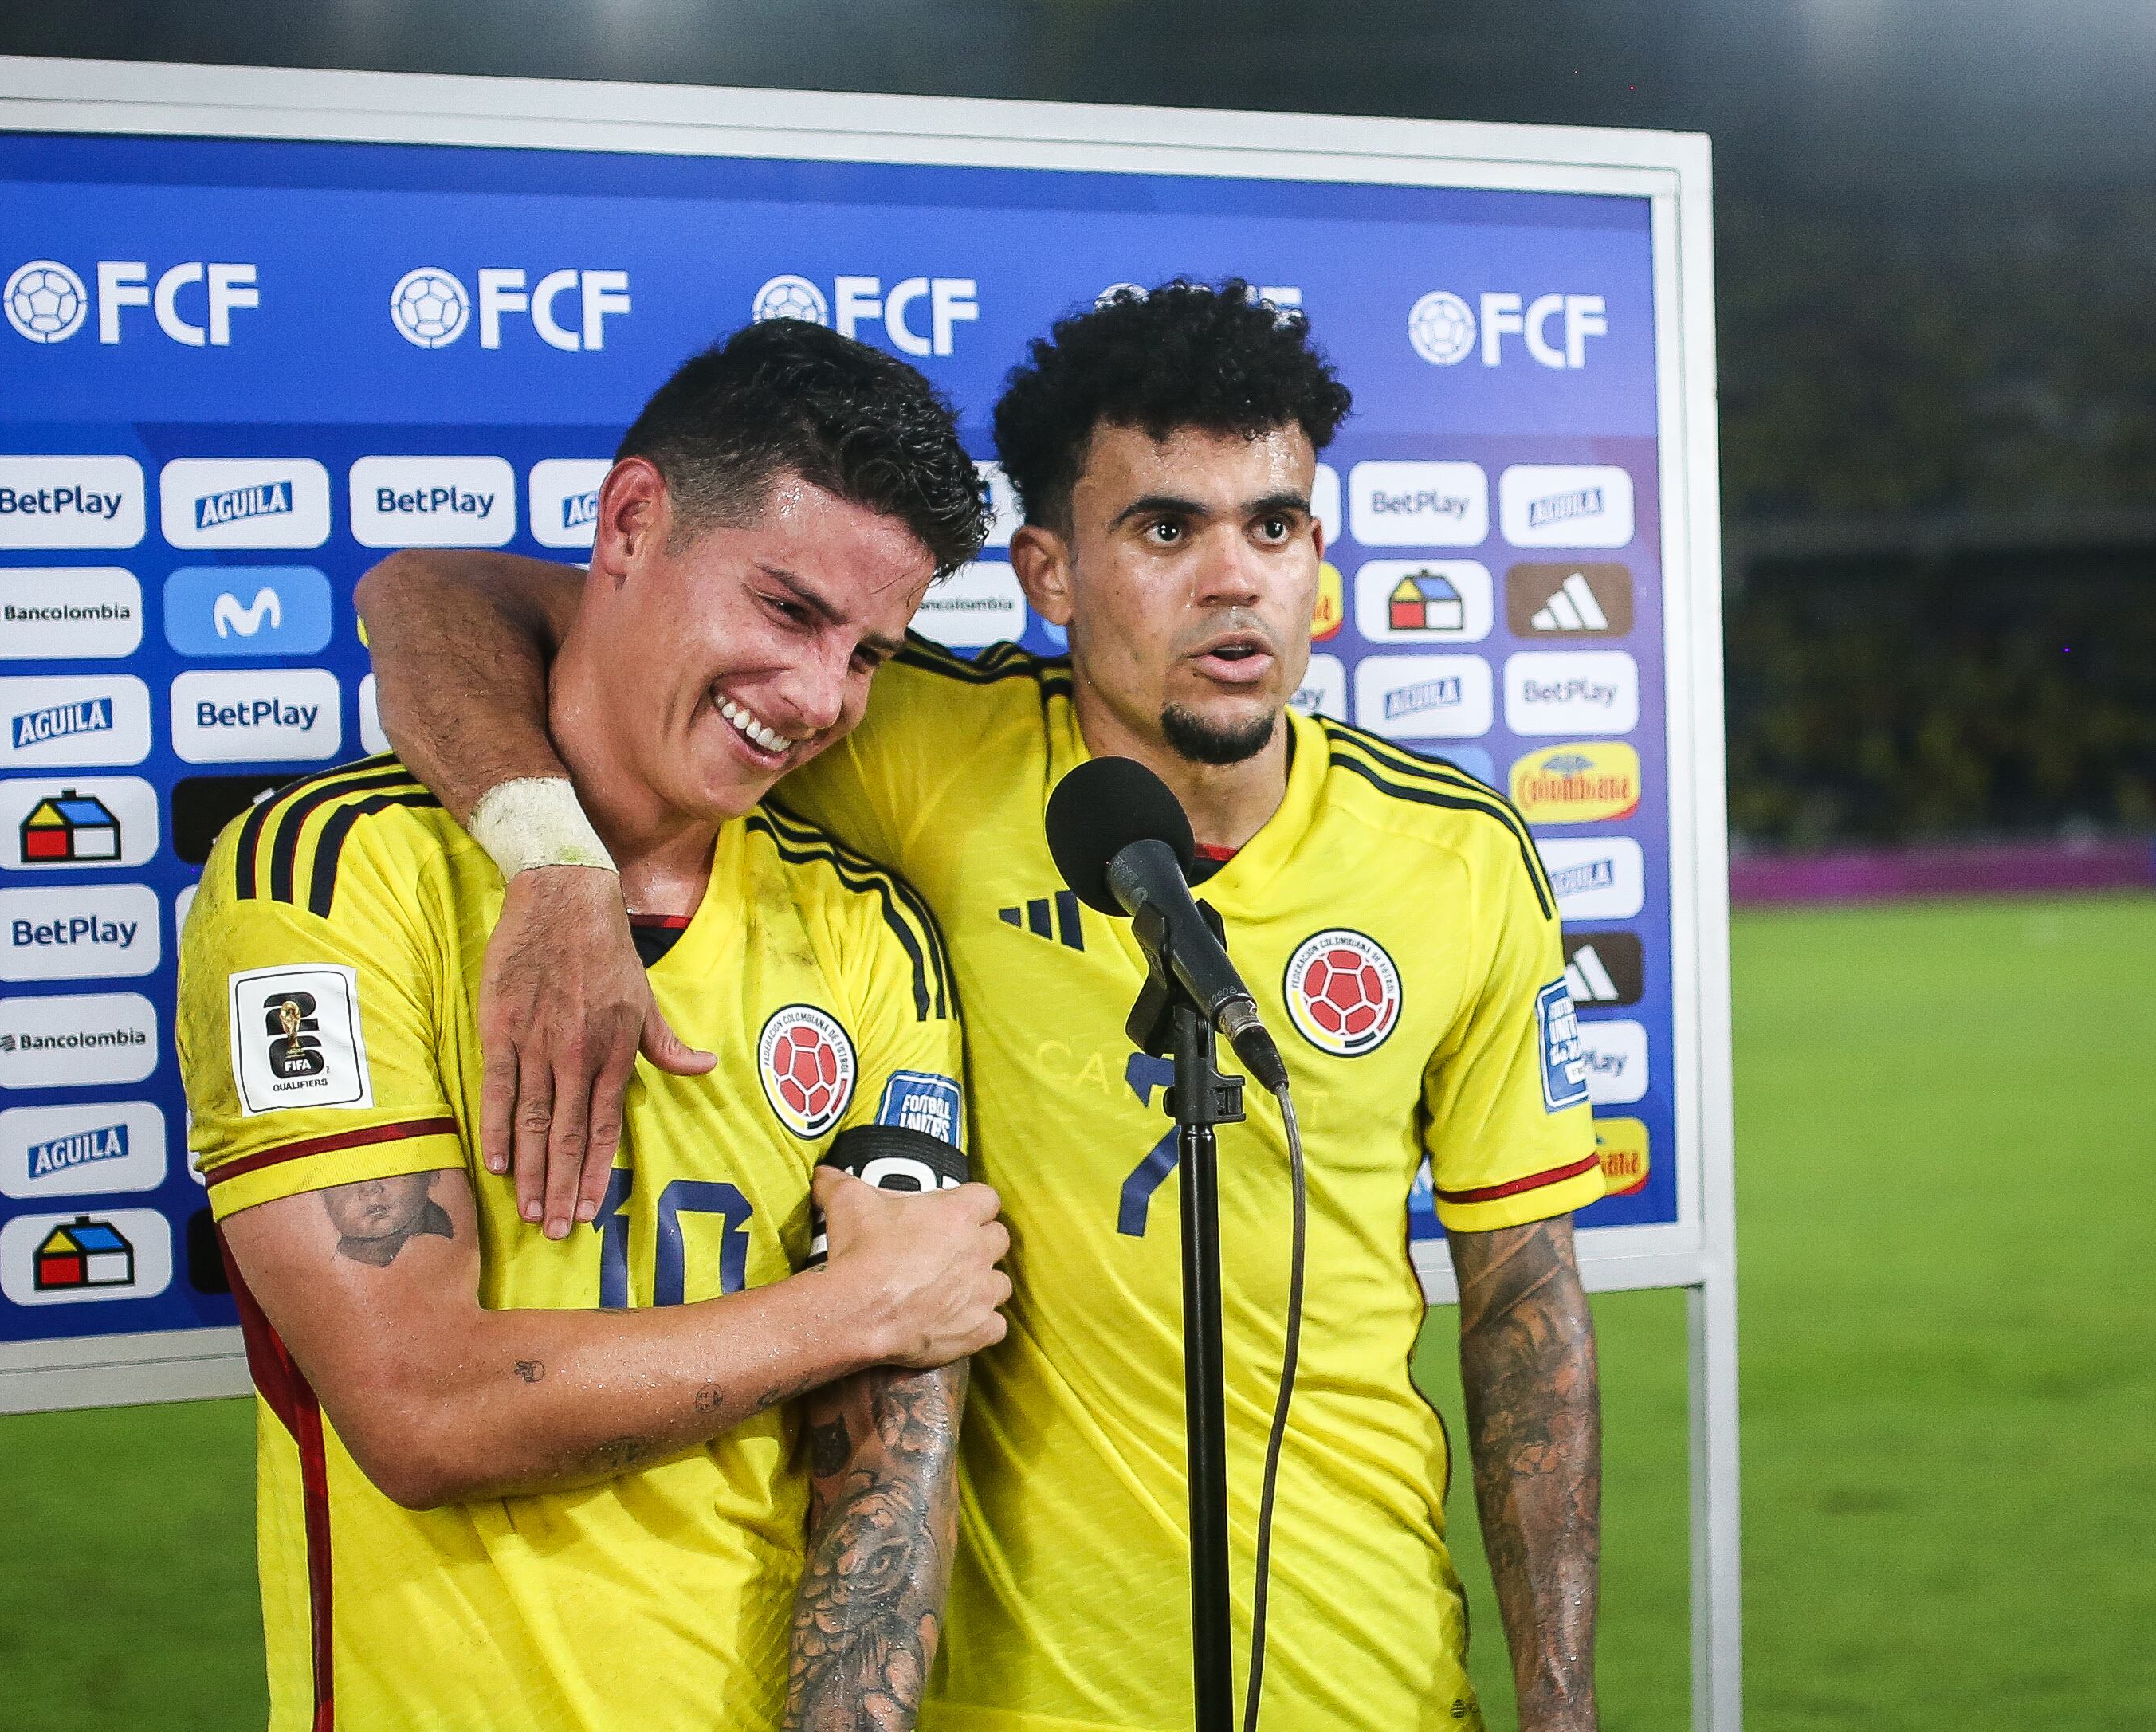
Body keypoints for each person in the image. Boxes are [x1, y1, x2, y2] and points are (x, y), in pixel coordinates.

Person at [357, 280, 1607, 1732]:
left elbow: (1525, 1299)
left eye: (1274, 524)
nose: (1234, 580)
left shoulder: (1456, 851)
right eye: (1163, 527)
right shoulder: (907, 740)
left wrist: (1562, 1703)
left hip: (1374, 1677)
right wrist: (552, 860)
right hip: (1000, 1702)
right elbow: (432, 596)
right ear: (1048, 571)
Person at [176, 318, 1014, 1732]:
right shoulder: (325, 873)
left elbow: (887, 1437)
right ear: (631, 523)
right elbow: (418, 1407)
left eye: (870, 651)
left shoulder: (871, 926)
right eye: (788, 610)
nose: (819, 698)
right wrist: (848, 1305)